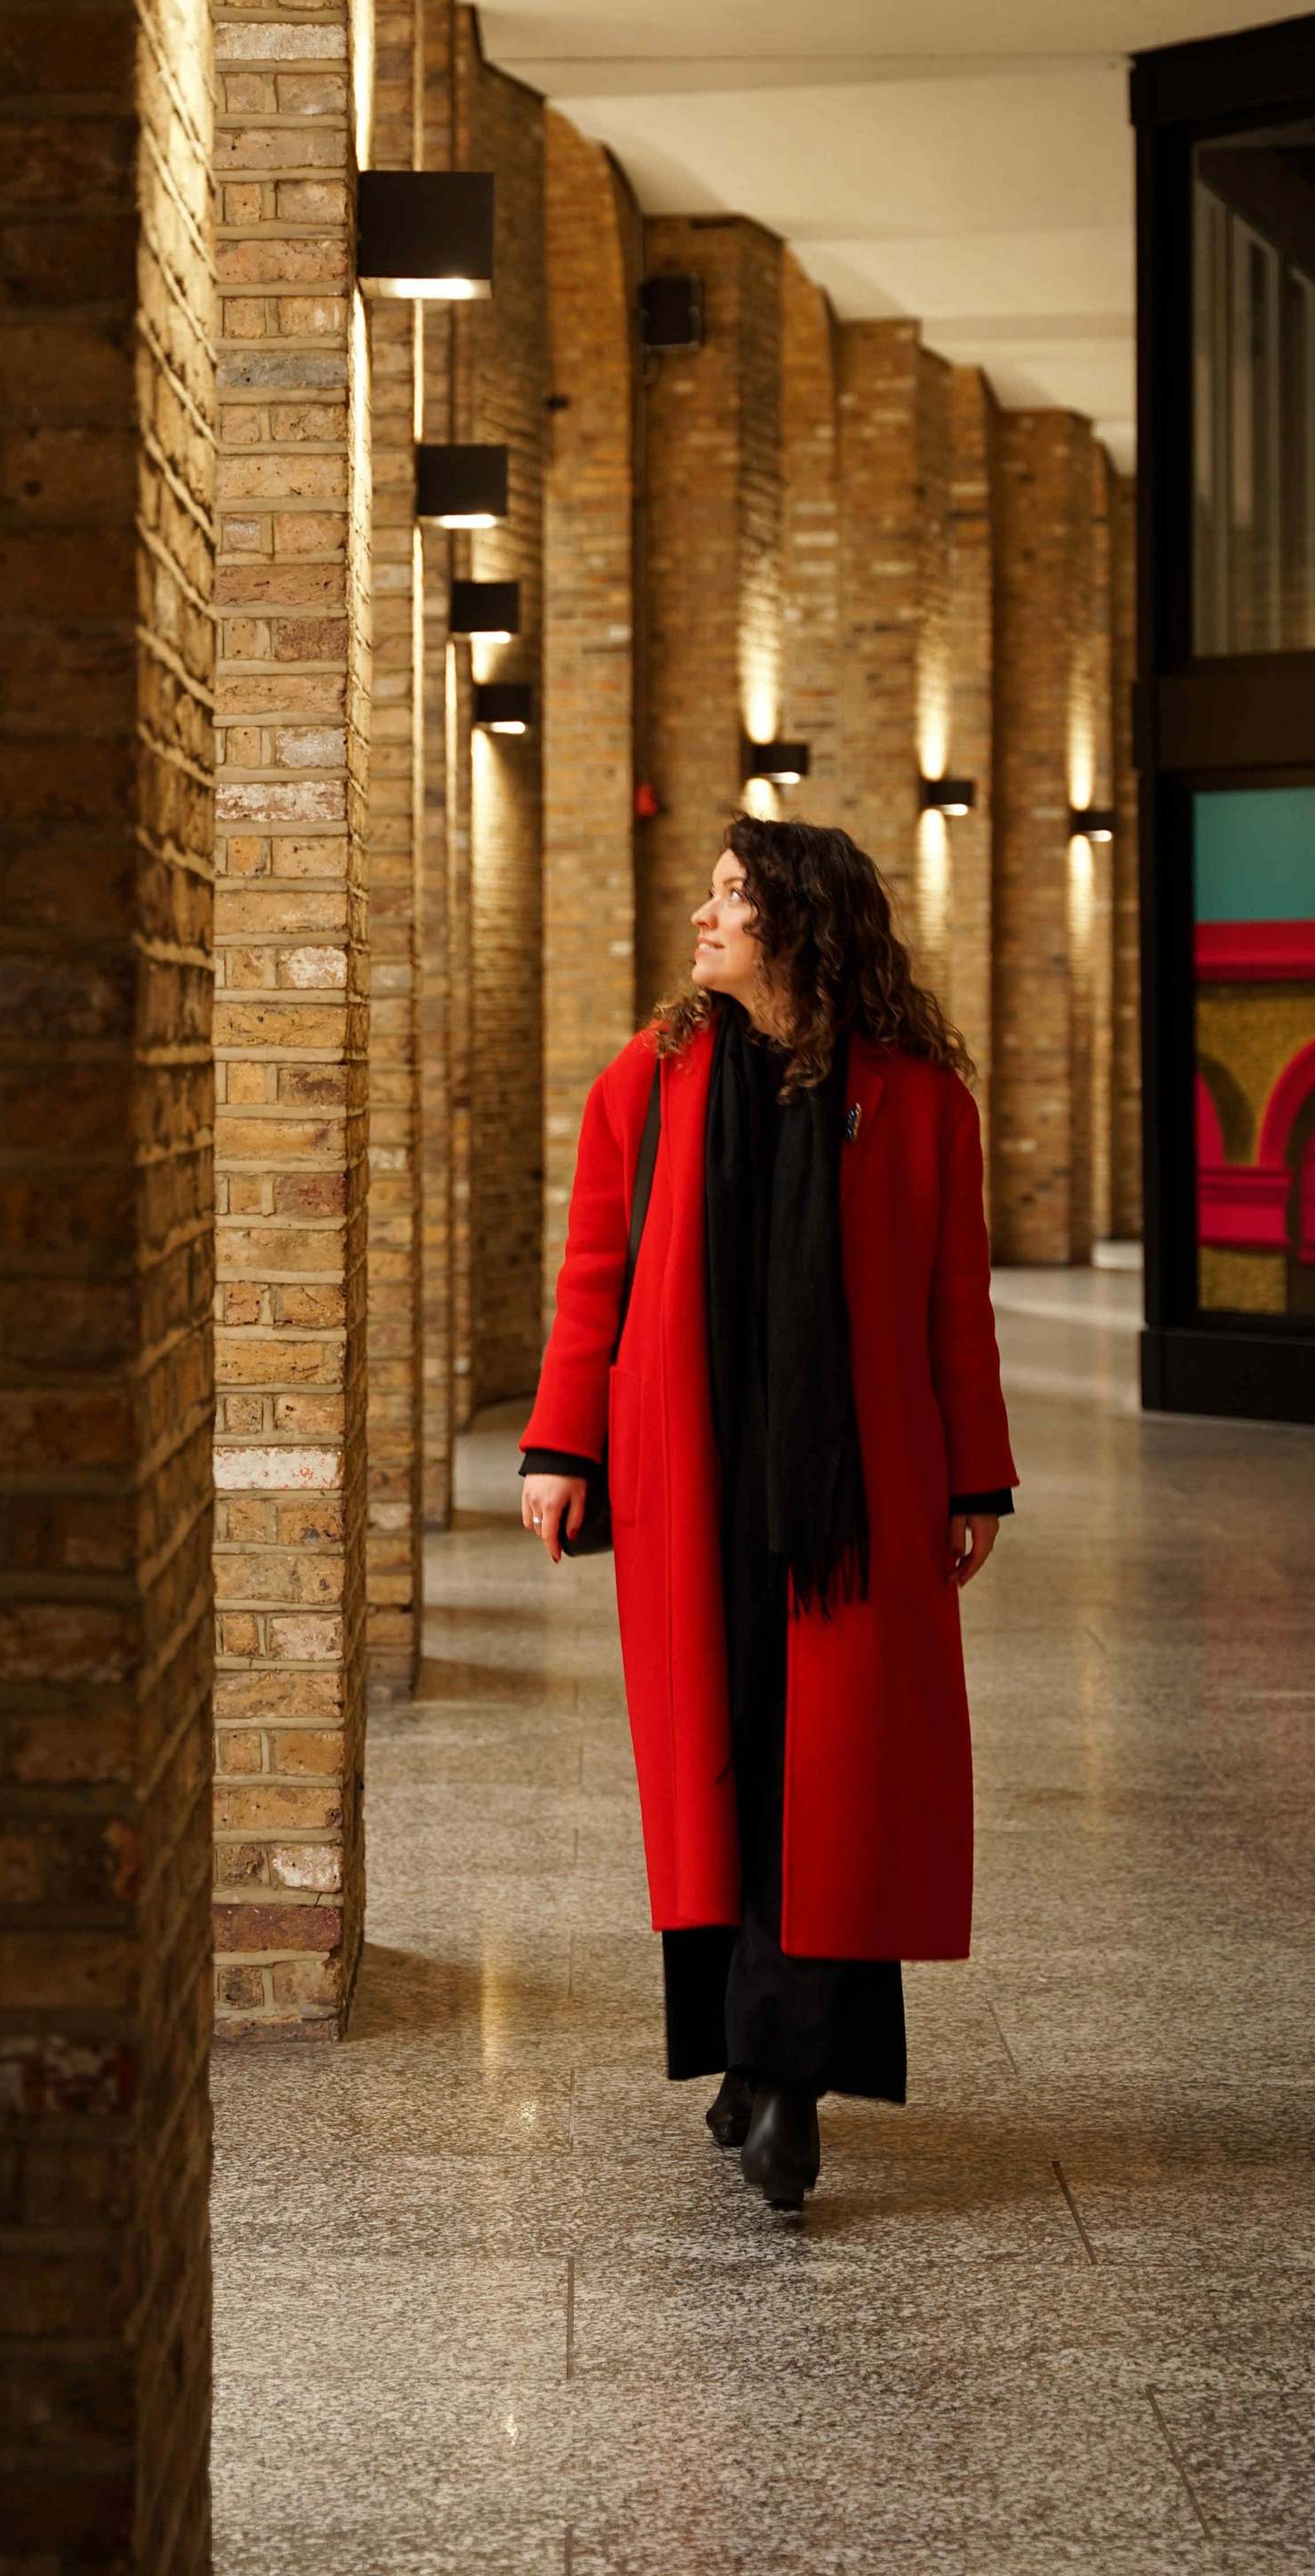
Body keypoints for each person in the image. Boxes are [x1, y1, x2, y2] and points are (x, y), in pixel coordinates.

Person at [519, 816, 1015, 2213]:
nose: (704, 915)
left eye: (733, 896)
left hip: (855, 1494)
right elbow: (597, 1269)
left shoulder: (920, 1102)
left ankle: (787, 2078)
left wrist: (975, 1476)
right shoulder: (652, 1078)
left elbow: (954, 1305)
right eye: (711, 893)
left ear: (800, 922)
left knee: (830, 1780)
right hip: (692, 1479)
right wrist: (561, 1443)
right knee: (724, 1763)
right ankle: (747, 2053)